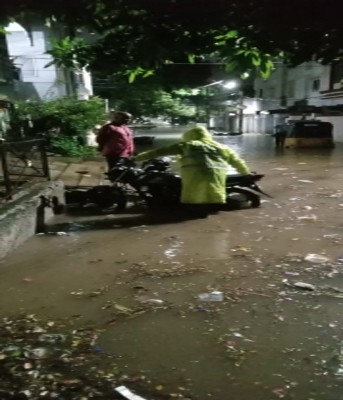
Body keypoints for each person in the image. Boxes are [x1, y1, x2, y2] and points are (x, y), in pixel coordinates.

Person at [133, 126, 251, 215]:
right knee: (212, 193)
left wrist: (136, 158)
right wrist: (246, 173)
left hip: (194, 174)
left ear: (190, 135)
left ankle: (192, 215)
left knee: (193, 196)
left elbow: (158, 152)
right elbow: (237, 161)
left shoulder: (187, 145)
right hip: (216, 174)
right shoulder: (222, 147)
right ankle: (210, 211)